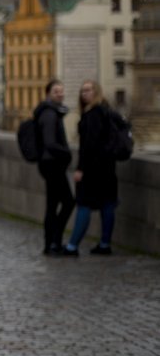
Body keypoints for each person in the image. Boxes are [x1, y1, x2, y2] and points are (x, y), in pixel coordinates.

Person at [62, 80, 118, 256]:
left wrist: (80, 169)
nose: (84, 93)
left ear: (96, 92)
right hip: (108, 167)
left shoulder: (92, 114)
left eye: (88, 90)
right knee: (108, 205)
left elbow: (89, 146)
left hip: (93, 169)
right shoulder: (106, 111)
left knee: (83, 204)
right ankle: (105, 244)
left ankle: (72, 246)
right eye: (82, 90)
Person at [33, 79, 74, 256]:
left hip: (49, 163)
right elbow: (50, 142)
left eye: (62, 91)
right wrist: (67, 153)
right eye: (56, 91)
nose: (60, 94)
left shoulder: (51, 112)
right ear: (48, 93)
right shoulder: (49, 114)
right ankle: (53, 242)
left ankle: (51, 243)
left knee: (53, 204)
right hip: (52, 164)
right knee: (67, 202)